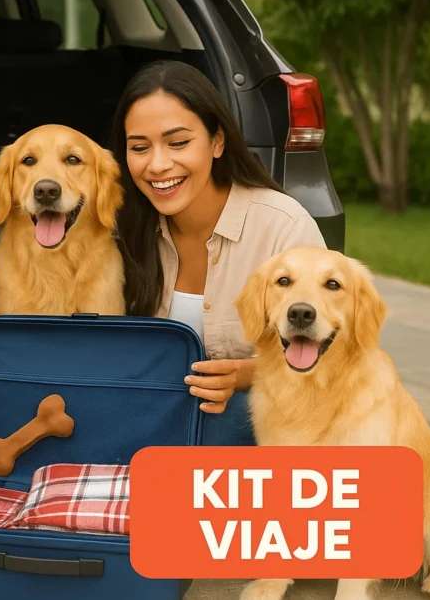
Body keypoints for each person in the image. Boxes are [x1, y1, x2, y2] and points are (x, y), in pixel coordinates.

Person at [108, 60, 326, 446]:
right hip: (154, 415)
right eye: (139, 147)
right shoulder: (118, 230)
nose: (158, 165)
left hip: (257, 424)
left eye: (178, 143)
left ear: (217, 141)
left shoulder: (283, 226)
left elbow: (335, 358)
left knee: (222, 419)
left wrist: (245, 375)